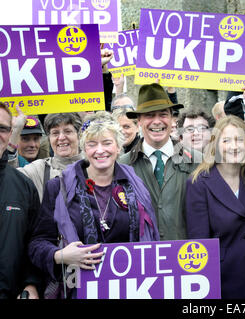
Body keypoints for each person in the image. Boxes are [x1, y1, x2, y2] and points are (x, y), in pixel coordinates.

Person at [28, 111, 159, 299]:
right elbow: (37, 244)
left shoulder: (136, 186)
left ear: (118, 147)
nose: (100, 150)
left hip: (131, 288)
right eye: (92, 144)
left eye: (107, 143)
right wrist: (61, 255)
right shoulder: (59, 188)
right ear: (84, 148)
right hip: (78, 289)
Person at [185, 116, 245, 299]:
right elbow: (200, 245)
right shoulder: (199, 183)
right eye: (226, 140)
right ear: (215, 145)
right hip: (223, 283)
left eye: (239, 139)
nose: (234, 146)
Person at [119, 84, 201, 240]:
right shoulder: (123, 165)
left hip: (187, 258)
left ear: (172, 118)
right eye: (149, 115)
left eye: (163, 114)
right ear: (139, 121)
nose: (157, 121)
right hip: (143, 258)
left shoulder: (198, 161)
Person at [0, 102, 41, 299]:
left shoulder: (23, 185)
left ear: (10, 134)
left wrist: (31, 283)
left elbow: (34, 240)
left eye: (3, 128)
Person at [15, 113, 83, 201]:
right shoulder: (38, 169)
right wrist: (13, 135)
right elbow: (6, 180)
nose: (61, 137)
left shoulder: (94, 165)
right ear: (49, 139)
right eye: (55, 133)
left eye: (67, 131)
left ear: (79, 135)